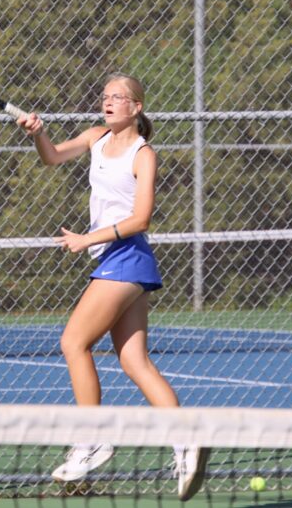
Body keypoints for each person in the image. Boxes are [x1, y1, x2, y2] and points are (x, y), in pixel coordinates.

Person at [16, 73, 209, 501]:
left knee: (73, 342)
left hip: (125, 257)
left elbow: (141, 220)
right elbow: (51, 157)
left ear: (136, 107)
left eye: (117, 97)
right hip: (118, 261)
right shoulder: (95, 138)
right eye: (104, 96)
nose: (108, 103)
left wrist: (88, 238)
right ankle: (186, 440)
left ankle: (93, 438)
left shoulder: (144, 155)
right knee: (135, 362)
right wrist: (38, 134)